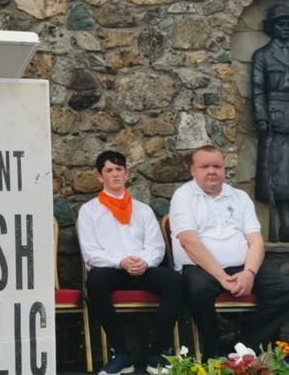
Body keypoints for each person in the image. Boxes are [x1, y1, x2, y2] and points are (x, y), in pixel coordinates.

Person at [169, 145, 289, 359]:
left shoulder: (239, 197)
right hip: (200, 267)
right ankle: (213, 351)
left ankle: (243, 349)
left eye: (217, 166)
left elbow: (256, 240)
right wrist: (221, 276)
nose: (212, 171)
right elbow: (189, 241)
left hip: (242, 264)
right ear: (193, 170)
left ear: (224, 169)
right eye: (204, 166)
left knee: (283, 289)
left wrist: (249, 272)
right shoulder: (183, 196)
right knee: (197, 292)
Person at [78, 150, 183, 375]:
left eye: (119, 169)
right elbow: (90, 252)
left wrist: (143, 262)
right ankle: (122, 354)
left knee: (175, 281)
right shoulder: (89, 211)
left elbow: (156, 246)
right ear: (100, 177)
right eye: (108, 170)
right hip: (111, 271)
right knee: (94, 281)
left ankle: (159, 355)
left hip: (142, 269)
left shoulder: (143, 210)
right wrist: (121, 261)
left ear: (127, 174)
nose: (114, 174)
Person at [251, 3, 289, 242]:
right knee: (277, 176)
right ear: (271, 28)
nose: (286, 28)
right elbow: (257, 90)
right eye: (281, 24)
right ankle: (282, 227)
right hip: (275, 121)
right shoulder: (263, 55)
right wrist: (262, 118)